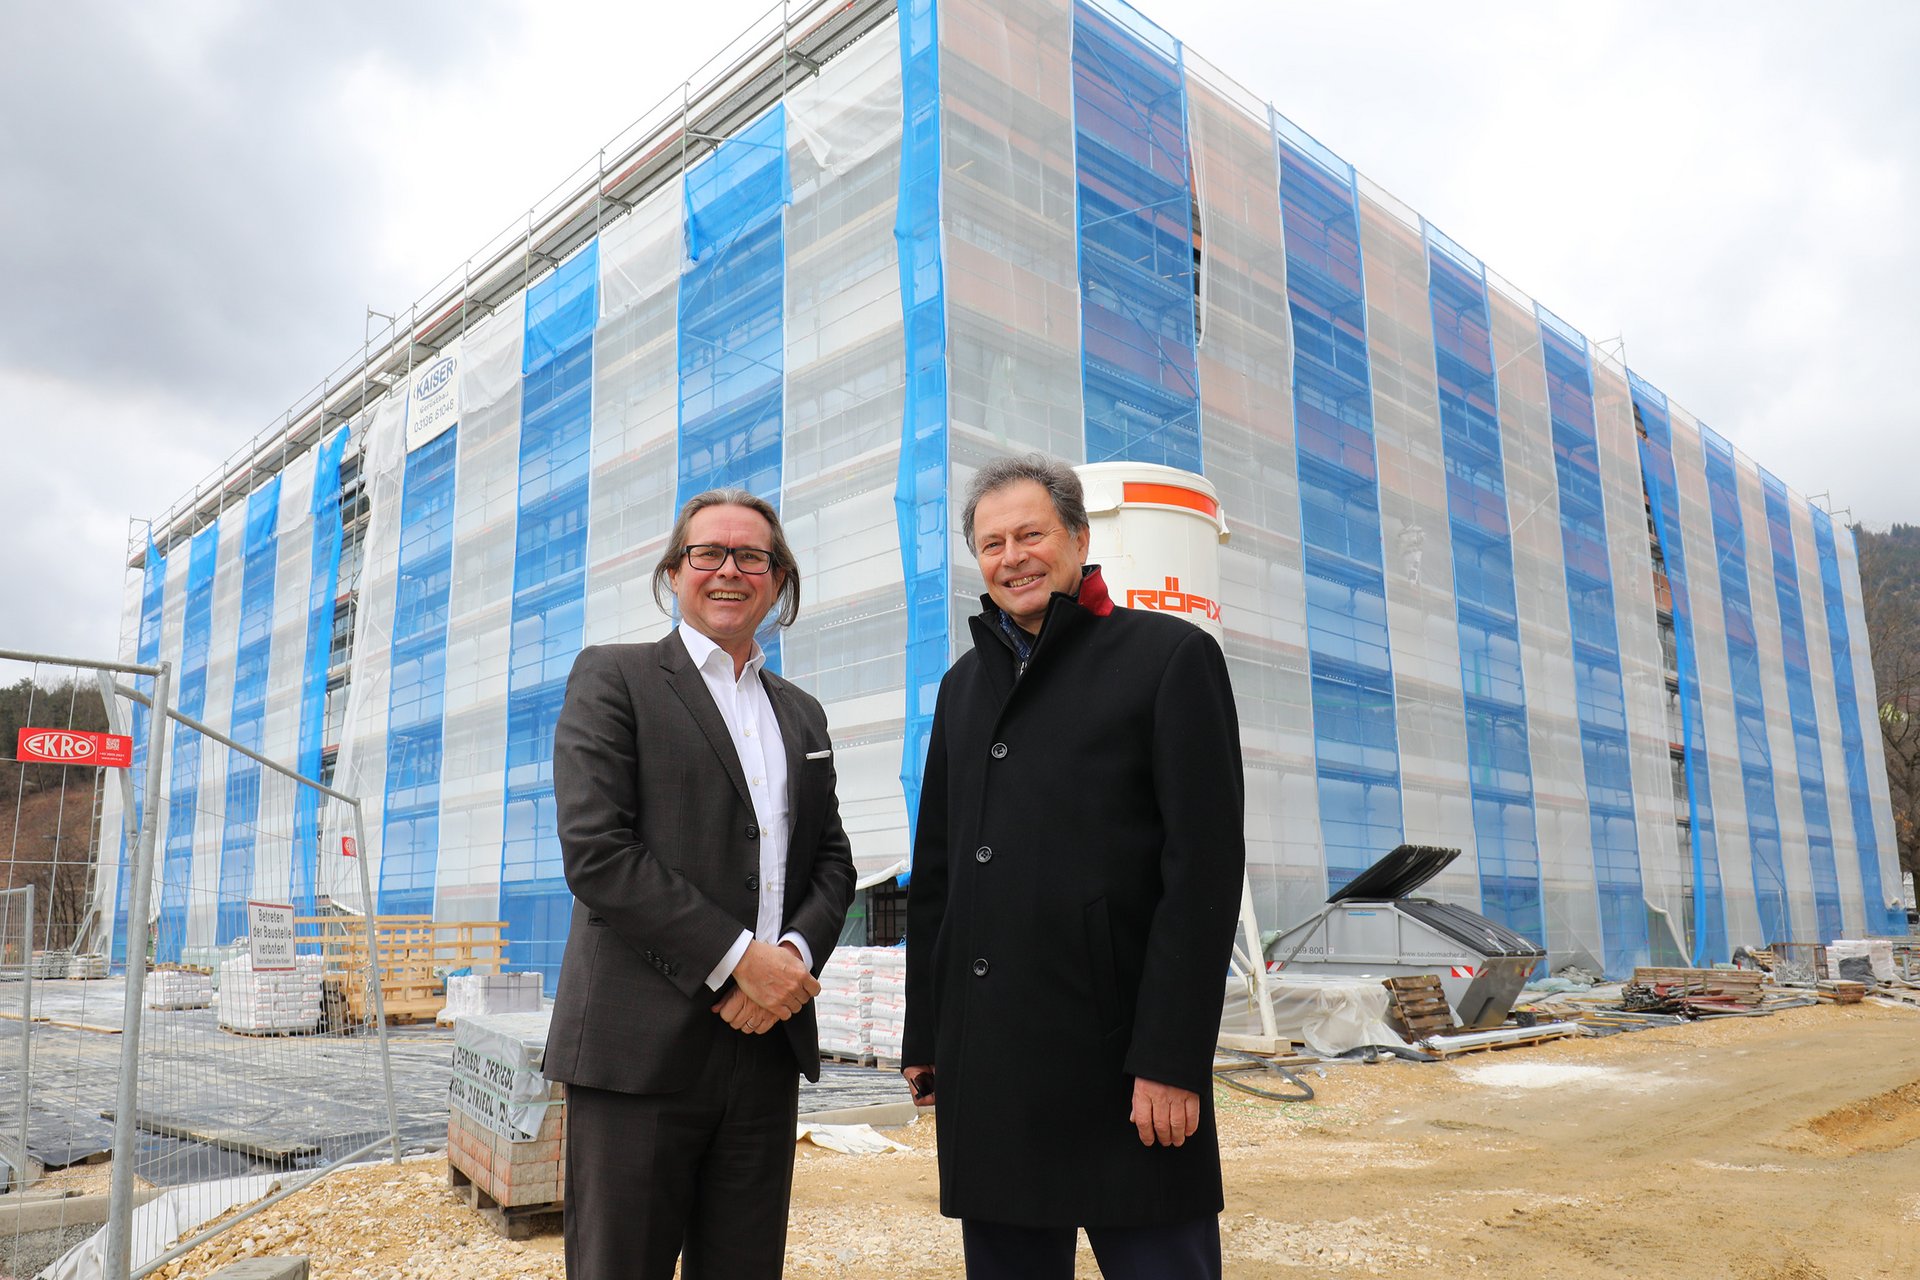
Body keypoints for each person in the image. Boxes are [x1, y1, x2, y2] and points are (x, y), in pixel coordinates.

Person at [903, 453, 1246, 1280]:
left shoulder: (1168, 657)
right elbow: (939, 873)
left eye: (1032, 534)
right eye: (992, 543)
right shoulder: (961, 688)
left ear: (1080, 539)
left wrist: (1171, 1058)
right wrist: (928, 1036)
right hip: (992, 1068)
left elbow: (1202, 870)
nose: (1012, 556)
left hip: (1122, 1063)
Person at [546, 488, 855, 1280]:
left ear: (778, 579)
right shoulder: (613, 679)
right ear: (675, 572)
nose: (729, 570)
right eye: (707, 553)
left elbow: (832, 861)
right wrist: (736, 959)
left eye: (751, 556)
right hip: (638, 1050)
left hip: (764, 1050)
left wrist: (784, 960)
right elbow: (598, 852)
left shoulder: (803, 714)